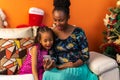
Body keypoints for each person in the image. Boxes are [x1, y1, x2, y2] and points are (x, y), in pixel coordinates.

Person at [42, 0, 98, 80]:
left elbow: (85, 55)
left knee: (62, 77)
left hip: (77, 67)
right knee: (46, 75)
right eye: (55, 20)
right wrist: (51, 63)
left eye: (61, 20)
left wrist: (71, 64)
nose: (57, 23)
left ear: (68, 17)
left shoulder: (78, 32)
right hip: (60, 67)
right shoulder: (52, 33)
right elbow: (53, 54)